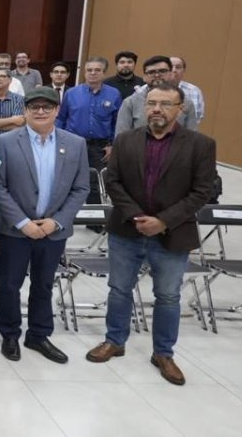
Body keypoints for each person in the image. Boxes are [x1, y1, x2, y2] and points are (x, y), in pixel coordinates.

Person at [86, 83, 217, 386]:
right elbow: (113, 181)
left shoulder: (201, 145)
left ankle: (163, 353)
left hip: (172, 233)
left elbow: (202, 191)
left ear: (180, 108)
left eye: (166, 104)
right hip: (126, 229)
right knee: (119, 289)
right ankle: (114, 340)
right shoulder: (125, 140)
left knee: (168, 296)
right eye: (152, 103)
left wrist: (163, 221)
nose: (157, 109)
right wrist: (135, 215)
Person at [0, 87, 90, 363]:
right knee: (10, 284)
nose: (40, 111)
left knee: (44, 284)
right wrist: (23, 222)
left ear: (57, 110)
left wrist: (57, 222)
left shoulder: (75, 144)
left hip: (53, 231)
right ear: (25, 110)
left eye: (47, 106)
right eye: (34, 106)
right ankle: (10, 333)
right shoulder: (6, 142)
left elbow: (81, 188)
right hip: (15, 230)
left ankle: (38, 334)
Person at [58, 56, 122, 205]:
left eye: (97, 70)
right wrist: (59, 142)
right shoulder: (71, 93)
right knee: (68, 179)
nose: (93, 73)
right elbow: (61, 118)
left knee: (95, 182)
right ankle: (67, 215)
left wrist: (112, 145)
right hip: (73, 144)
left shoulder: (114, 94)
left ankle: (94, 220)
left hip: (99, 146)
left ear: (104, 73)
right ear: (84, 73)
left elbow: (116, 122)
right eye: (89, 70)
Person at [116, 56, 200, 135]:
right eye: (151, 72)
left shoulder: (186, 103)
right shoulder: (130, 103)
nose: (157, 75)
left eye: (162, 71)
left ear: (171, 74)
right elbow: (121, 139)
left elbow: (192, 139)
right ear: (144, 77)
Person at [171, 56, 205, 123]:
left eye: (178, 67)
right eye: (170, 67)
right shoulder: (152, 88)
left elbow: (196, 119)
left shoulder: (194, 91)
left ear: (184, 71)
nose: (174, 70)